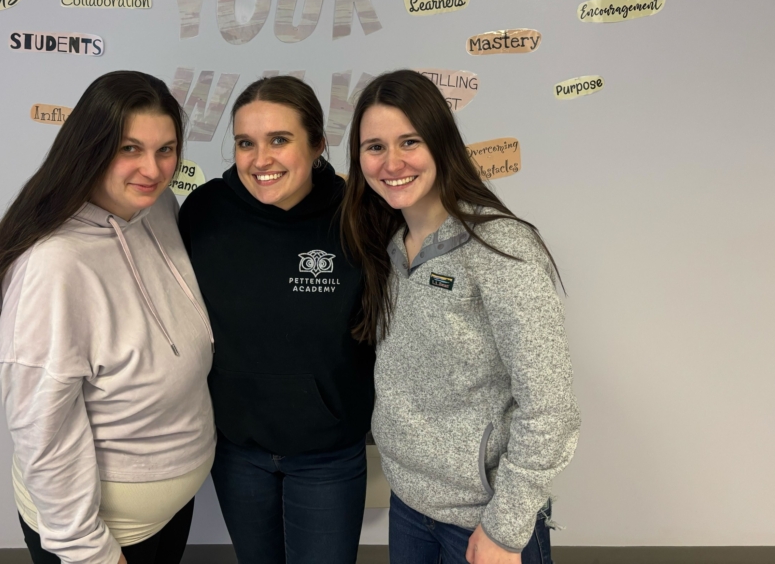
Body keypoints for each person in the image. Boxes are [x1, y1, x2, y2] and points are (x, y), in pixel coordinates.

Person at [0, 71, 216, 564]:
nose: (153, 168)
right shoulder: (54, 265)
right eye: (130, 149)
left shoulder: (158, 207)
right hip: (102, 535)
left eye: (166, 149)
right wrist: (90, 553)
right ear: (91, 149)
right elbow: (45, 433)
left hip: (167, 509)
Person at [339, 70, 581, 564]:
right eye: (374, 147)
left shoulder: (501, 248)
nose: (392, 163)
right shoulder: (386, 249)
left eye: (410, 141)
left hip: (484, 518)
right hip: (410, 506)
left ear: (442, 144)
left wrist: (506, 529)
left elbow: (550, 409)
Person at [178, 76, 374, 564]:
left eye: (279, 140)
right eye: (246, 143)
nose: (260, 159)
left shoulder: (358, 215)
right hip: (237, 451)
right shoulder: (205, 211)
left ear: (317, 144)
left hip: (328, 453)